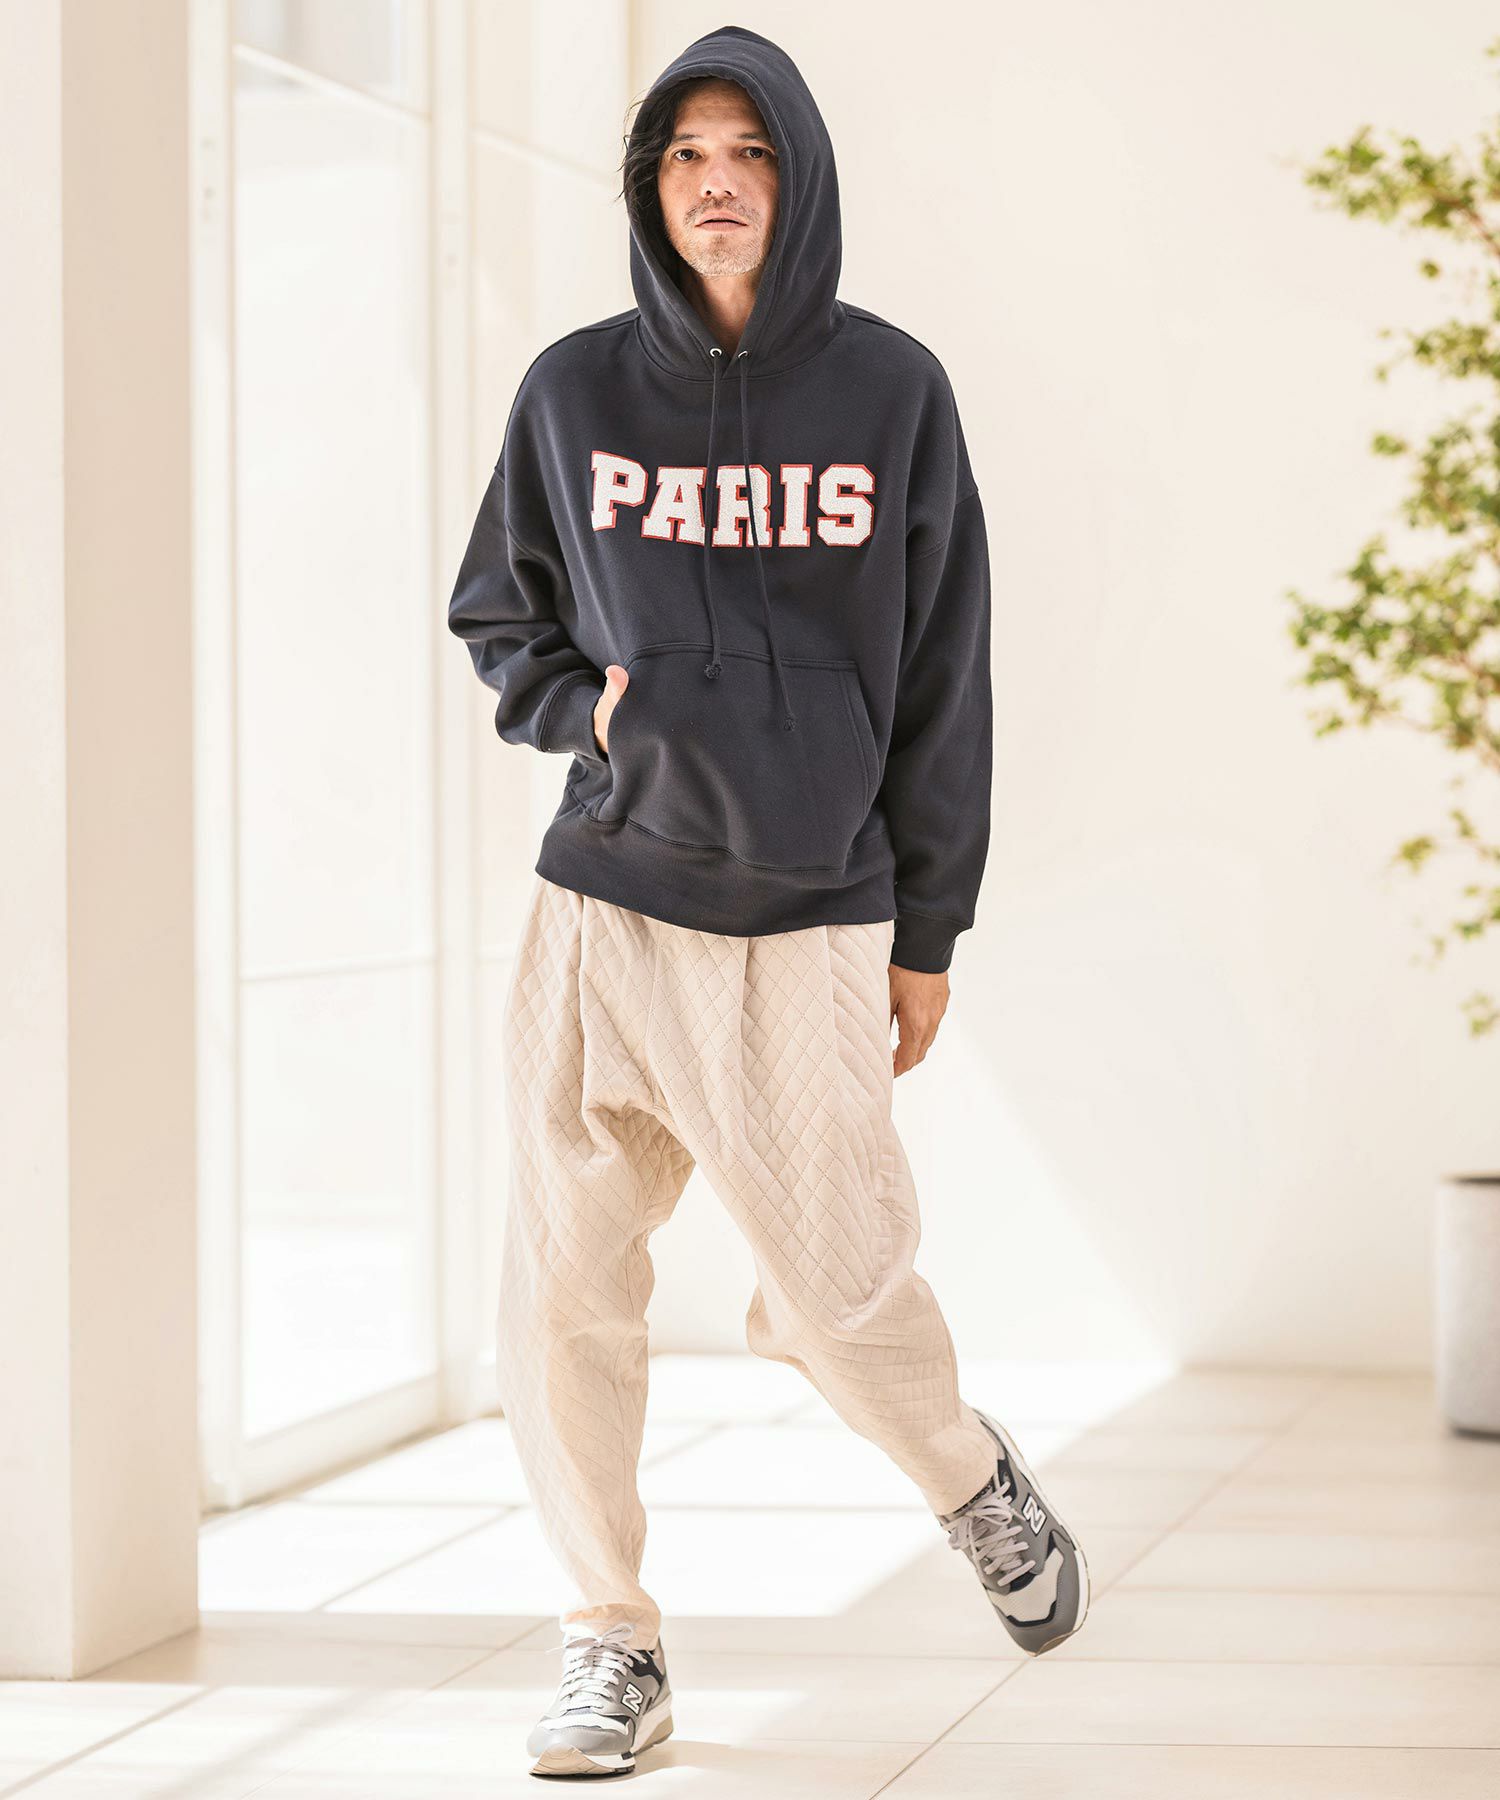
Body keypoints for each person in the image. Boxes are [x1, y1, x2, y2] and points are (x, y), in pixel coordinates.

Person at [448, 24, 1088, 1781]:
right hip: (607, 902)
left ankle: (969, 1477)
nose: (718, 184)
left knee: (833, 1290)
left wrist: (928, 930)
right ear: (649, 187)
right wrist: (591, 717)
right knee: (564, 1292)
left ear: (798, 182)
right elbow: (500, 613)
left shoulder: (893, 392)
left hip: (809, 913)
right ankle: (610, 1639)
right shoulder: (574, 392)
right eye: (686, 156)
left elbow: (946, 675)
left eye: (751, 154)